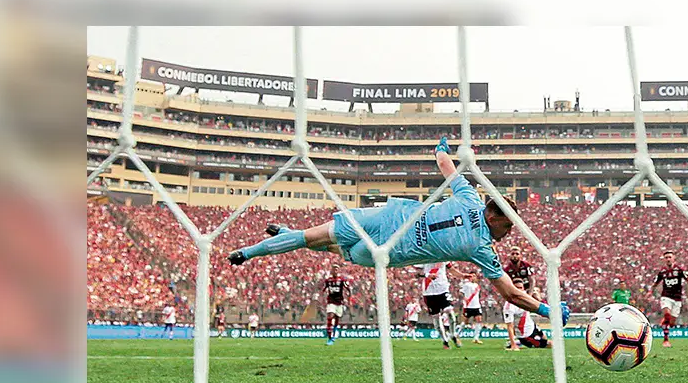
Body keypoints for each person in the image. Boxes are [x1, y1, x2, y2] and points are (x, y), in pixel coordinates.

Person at [228, 137, 569, 328]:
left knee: (315, 239)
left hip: (386, 220)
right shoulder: (481, 247)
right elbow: (511, 294)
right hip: (389, 250)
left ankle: (259, 247)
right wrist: (546, 310)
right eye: (508, 226)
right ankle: (260, 247)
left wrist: (441, 148)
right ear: (494, 217)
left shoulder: (468, 196)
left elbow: (444, 164)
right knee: (325, 245)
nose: (509, 233)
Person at [650, 250, 688, 348]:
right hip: (666, 296)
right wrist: (650, 293)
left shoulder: (679, 270)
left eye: (670, 257)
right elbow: (655, 284)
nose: (668, 259)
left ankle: (665, 323)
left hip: (677, 299)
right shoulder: (662, 272)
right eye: (666, 258)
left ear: (674, 258)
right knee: (667, 315)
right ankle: (666, 340)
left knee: (672, 323)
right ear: (664, 260)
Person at [420, 261, 467, 349]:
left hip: (443, 290)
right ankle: (445, 341)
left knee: (449, 311)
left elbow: (451, 269)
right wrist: (427, 275)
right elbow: (417, 273)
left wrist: (462, 275)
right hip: (428, 292)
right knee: (436, 317)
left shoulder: (444, 256)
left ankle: (453, 334)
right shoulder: (425, 256)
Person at [503, 246, 535, 350]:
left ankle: (530, 332)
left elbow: (532, 280)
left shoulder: (526, 266)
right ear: (509, 255)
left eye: (517, 254)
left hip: (526, 292)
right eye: (513, 254)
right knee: (512, 315)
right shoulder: (507, 270)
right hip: (514, 295)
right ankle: (515, 339)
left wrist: (530, 294)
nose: (515, 256)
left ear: (520, 255)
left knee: (537, 300)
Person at [511, 279, 551, 349]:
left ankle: (519, 342)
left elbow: (542, 308)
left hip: (532, 326)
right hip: (525, 334)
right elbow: (510, 325)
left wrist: (538, 298)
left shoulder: (525, 296)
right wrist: (513, 342)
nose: (519, 290)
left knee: (545, 338)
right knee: (550, 344)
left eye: (521, 288)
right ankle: (518, 342)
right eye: (517, 288)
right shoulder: (510, 305)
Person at [322, 265, 349, 346]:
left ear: (338, 271)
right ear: (331, 271)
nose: (335, 271)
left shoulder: (342, 280)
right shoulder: (328, 280)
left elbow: (348, 289)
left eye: (336, 270)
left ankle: (333, 336)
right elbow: (323, 290)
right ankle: (330, 338)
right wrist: (322, 299)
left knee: (336, 320)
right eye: (333, 269)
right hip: (331, 301)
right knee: (330, 317)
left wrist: (348, 299)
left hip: (339, 302)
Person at [459, 273, 484, 345]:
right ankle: (457, 334)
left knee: (479, 320)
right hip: (468, 306)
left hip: (476, 306)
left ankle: (476, 338)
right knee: (465, 322)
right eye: (472, 276)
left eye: (474, 276)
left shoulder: (477, 285)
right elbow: (460, 292)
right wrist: (465, 298)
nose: (473, 277)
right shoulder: (466, 285)